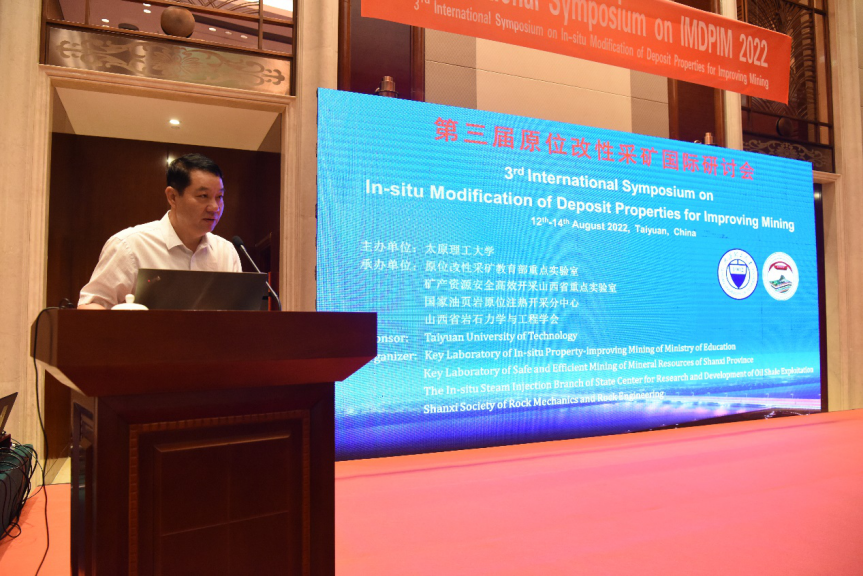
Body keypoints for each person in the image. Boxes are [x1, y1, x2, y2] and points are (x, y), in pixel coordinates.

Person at [78, 153, 241, 309]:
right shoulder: (130, 245)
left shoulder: (226, 252)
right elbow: (92, 304)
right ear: (173, 197)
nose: (214, 207)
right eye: (203, 196)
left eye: (219, 197)